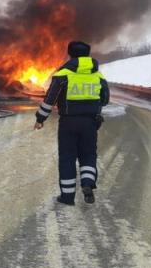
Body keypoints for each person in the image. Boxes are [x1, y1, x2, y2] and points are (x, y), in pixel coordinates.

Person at [33, 41, 110, 205]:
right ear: (88, 55)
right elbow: (105, 99)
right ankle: (88, 184)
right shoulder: (97, 75)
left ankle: (67, 197)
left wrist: (40, 118)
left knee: (67, 157)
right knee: (88, 155)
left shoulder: (64, 74)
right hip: (90, 122)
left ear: (70, 54)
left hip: (68, 122)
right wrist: (92, 106)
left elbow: (50, 99)